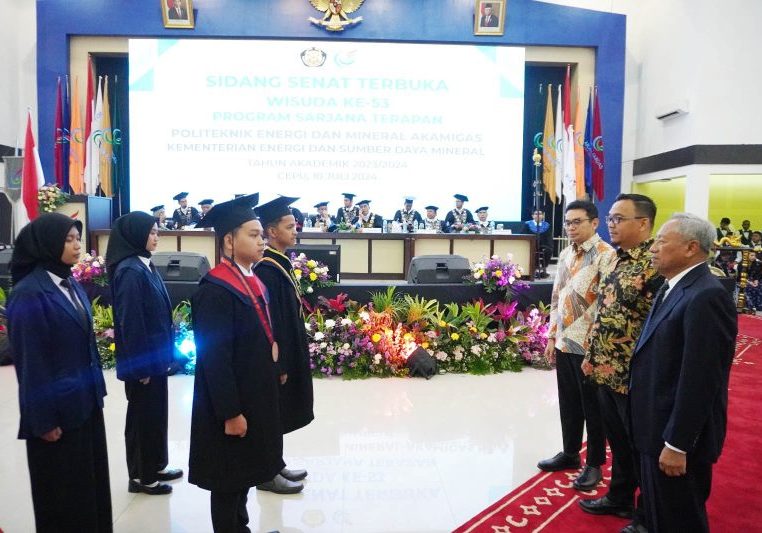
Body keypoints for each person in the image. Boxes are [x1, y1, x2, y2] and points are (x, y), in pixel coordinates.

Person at [630, 213, 737, 533]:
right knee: (662, 516)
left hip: (675, 439)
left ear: (691, 248)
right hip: (656, 426)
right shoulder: (673, 286)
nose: (653, 248)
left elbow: (701, 379)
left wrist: (677, 444)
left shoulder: (706, 295)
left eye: (662, 241)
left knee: (680, 519)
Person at [7, 213, 112, 532]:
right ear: (47, 244)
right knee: (62, 500)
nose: (78, 245)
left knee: (89, 491)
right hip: (55, 417)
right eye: (69, 239)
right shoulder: (29, 293)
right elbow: (31, 362)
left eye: (78, 238)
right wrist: (43, 420)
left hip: (85, 406)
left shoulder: (71, 284)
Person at [190, 194, 288, 532]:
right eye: (253, 234)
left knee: (244, 471)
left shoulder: (253, 280)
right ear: (229, 240)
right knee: (228, 477)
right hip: (230, 403)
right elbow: (214, 358)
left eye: (262, 235)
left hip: (254, 395)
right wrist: (230, 412)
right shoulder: (215, 289)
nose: (262, 241)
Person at [579, 194, 664, 530]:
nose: (610, 224)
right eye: (610, 218)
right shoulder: (617, 258)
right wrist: (592, 356)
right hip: (605, 369)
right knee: (618, 441)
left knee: (641, 445)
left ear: (643, 223)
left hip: (633, 375)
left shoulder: (656, 262)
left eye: (618, 218)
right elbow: (609, 310)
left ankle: (647, 513)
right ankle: (619, 497)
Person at [537, 200, 614, 487]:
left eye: (577, 221)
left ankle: (594, 463)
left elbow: (607, 306)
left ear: (594, 223)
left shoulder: (607, 255)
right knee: (569, 404)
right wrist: (551, 336)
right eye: (568, 222)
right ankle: (570, 453)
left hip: (589, 348)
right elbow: (557, 297)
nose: (571, 227)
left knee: (593, 408)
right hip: (564, 342)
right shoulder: (567, 252)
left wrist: (596, 349)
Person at [107, 212, 183, 495]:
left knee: (156, 414)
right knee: (142, 418)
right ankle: (141, 476)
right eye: (151, 232)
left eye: (156, 231)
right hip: (144, 363)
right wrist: (141, 367)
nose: (156, 236)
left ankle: (156, 464)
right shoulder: (129, 270)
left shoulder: (144, 265)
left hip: (156, 359)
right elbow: (131, 322)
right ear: (136, 235)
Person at [254, 196, 315, 494]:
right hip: (278, 353)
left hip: (289, 348)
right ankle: (267, 472)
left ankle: (275, 464)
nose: (295, 231)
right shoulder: (266, 267)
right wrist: (279, 360)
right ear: (272, 231)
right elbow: (271, 320)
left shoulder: (280, 262)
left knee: (278, 410)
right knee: (271, 410)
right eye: (289, 226)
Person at [524, 210, 552, 278]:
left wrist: (548, 246)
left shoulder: (546, 225)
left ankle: (543, 270)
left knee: (548, 250)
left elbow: (549, 238)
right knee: (532, 251)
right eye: (536, 214)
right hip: (530, 245)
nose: (538, 216)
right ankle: (534, 270)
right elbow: (523, 235)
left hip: (543, 245)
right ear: (532, 216)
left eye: (540, 214)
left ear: (543, 216)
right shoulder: (527, 225)